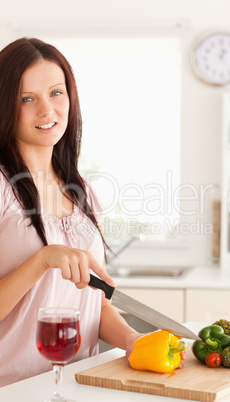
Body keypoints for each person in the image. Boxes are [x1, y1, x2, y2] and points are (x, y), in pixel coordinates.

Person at [0, 37, 141, 387]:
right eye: (26, 99)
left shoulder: (84, 194)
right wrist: (42, 259)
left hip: (75, 387)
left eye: (56, 93)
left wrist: (130, 340)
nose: (47, 111)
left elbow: (93, 299)